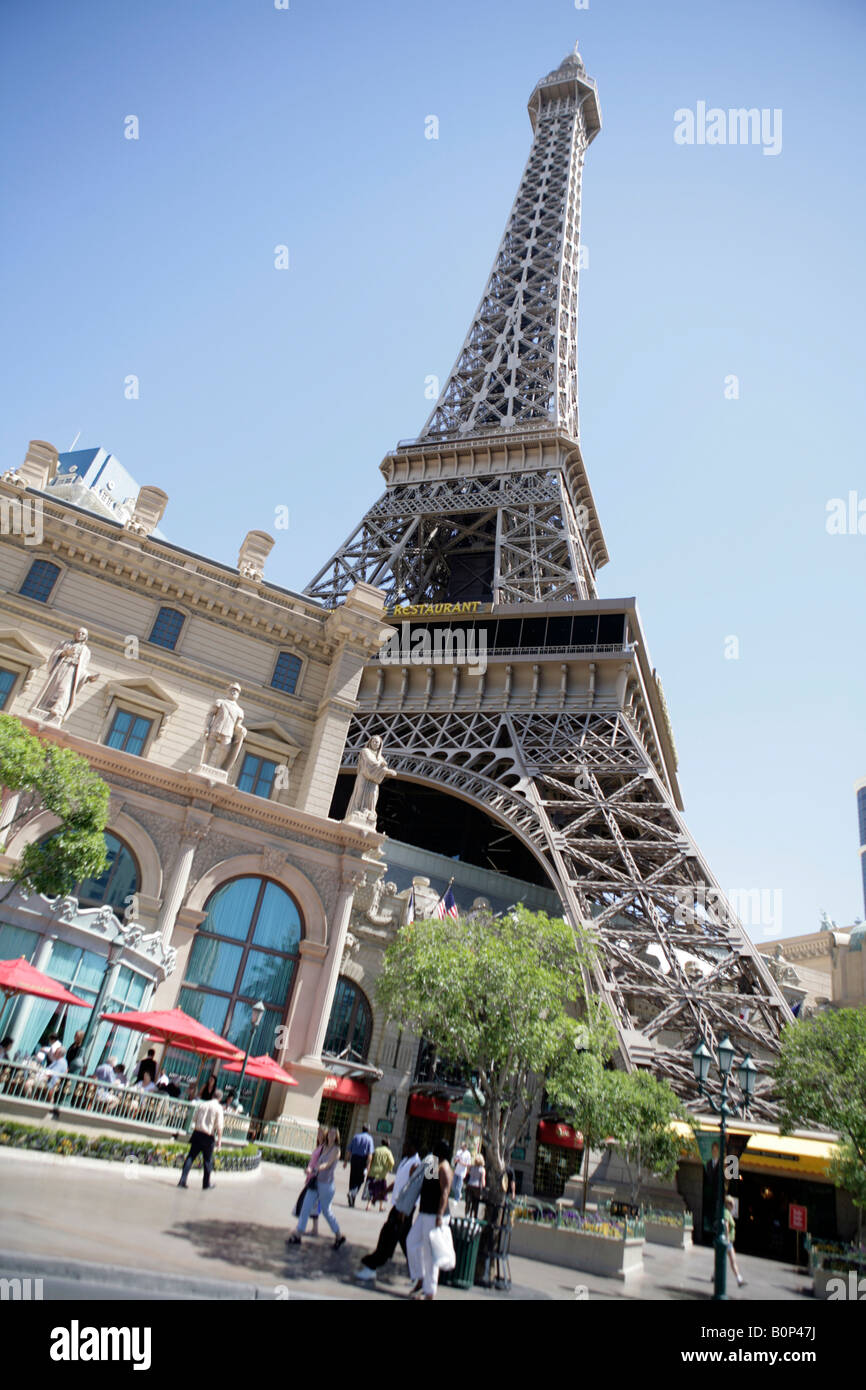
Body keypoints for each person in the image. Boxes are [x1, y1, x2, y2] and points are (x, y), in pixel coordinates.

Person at [357, 1141, 420, 1284]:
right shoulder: (405, 1161)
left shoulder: (416, 1163)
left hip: (404, 1208)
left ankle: (371, 1267)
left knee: (388, 1236)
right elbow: (398, 1182)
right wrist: (382, 1193)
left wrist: (404, 1210)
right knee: (407, 1242)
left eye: (407, 1145)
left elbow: (412, 1188)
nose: (404, 1147)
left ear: (413, 1147)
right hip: (399, 1205)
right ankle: (418, 1275)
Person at [406, 1140, 453, 1300]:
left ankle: (429, 1292)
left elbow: (445, 1193)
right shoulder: (433, 1165)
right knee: (411, 1241)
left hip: (434, 1215)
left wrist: (440, 1215)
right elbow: (421, 1184)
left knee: (430, 1254)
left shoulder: (444, 1168)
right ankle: (420, 1277)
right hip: (424, 1212)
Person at [288, 1127, 346, 1249]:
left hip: (327, 1185)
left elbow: (328, 1163)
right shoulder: (323, 1147)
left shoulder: (336, 1150)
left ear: (337, 1137)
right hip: (315, 1183)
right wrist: (310, 1169)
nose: (331, 1135)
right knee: (305, 1207)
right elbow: (314, 1162)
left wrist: (318, 1168)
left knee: (326, 1211)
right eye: (330, 1132)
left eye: (334, 1134)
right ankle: (298, 1234)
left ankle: (339, 1236)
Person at [178, 1087, 224, 1190]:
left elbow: (194, 1119)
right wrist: (219, 1141)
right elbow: (220, 1126)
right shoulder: (218, 1108)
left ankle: (182, 1180)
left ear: (212, 1096)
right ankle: (206, 1183)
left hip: (197, 1133)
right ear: (220, 1098)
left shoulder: (202, 1104)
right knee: (207, 1161)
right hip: (208, 1136)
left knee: (190, 1157)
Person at [345, 1125, 374, 1207]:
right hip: (363, 1160)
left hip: (354, 1159)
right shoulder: (369, 1139)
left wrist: (346, 1161)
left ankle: (352, 1200)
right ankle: (352, 1193)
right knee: (360, 1179)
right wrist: (368, 1165)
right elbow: (370, 1154)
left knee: (353, 1178)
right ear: (368, 1130)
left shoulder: (355, 1137)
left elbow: (349, 1150)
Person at [366, 1138, 395, 1211]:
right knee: (382, 1190)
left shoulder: (376, 1150)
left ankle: (368, 1205)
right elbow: (392, 1162)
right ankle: (381, 1207)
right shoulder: (388, 1152)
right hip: (382, 1174)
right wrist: (388, 1169)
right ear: (388, 1144)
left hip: (372, 1172)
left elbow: (370, 1159)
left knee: (371, 1189)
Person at [723, 1195, 745, 1288]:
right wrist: (727, 1238)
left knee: (722, 1259)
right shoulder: (726, 1213)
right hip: (727, 1241)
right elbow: (726, 1225)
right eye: (731, 1204)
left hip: (728, 1241)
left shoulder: (727, 1212)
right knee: (732, 1260)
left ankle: (714, 1275)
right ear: (727, 1204)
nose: (733, 1206)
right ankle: (739, 1279)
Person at [464, 1145, 486, 1218]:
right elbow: (483, 1181)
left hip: (470, 1185)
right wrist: (484, 1187)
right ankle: (474, 1216)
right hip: (477, 1187)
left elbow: (467, 1174)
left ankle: (466, 1214)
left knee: (468, 1201)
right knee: (475, 1203)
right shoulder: (482, 1170)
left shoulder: (471, 1167)